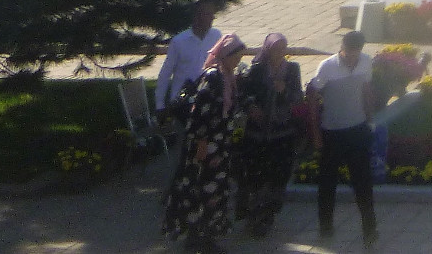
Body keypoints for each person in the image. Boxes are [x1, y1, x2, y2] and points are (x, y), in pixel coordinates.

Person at [161, 32, 245, 250]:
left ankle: (208, 236)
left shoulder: (228, 77)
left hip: (220, 146)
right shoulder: (213, 77)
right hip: (205, 146)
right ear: (225, 55)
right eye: (236, 56)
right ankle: (195, 236)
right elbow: (200, 112)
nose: (238, 61)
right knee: (199, 189)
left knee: (216, 191)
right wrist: (201, 142)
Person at [308, 30, 378, 245]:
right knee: (328, 182)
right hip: (332, 132)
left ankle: (370, 229)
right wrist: (316, 133)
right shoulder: (327, 67)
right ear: (342, 48)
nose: (353, 57)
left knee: (363, 181)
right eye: (349, 53)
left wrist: (370, 119)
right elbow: (312, 96)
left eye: (356, 53)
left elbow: (366, 90)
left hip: (357, 129)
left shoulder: (366, 62)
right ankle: (326, 226)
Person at [233, 32, 303, 238]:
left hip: (282, 133)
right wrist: (251, 107)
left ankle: (266, 216)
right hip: (257, 133)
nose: (279, 53)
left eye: (282, 48)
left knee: (277, 176)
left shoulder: (292, 69)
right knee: (255, 175)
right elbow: (242, 94)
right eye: (275, 48)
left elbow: (298, 97)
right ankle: (252, 214)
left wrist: (284, 91)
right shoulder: (256, 69)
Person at [155, 0, 220, 116]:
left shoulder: (216, 36)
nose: (212, 18)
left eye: (212, 14)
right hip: (182, 102)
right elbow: (165, 74)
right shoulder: (179, 42)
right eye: (208, 14)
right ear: (197, 16)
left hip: (206, 101)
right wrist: (160, 106)